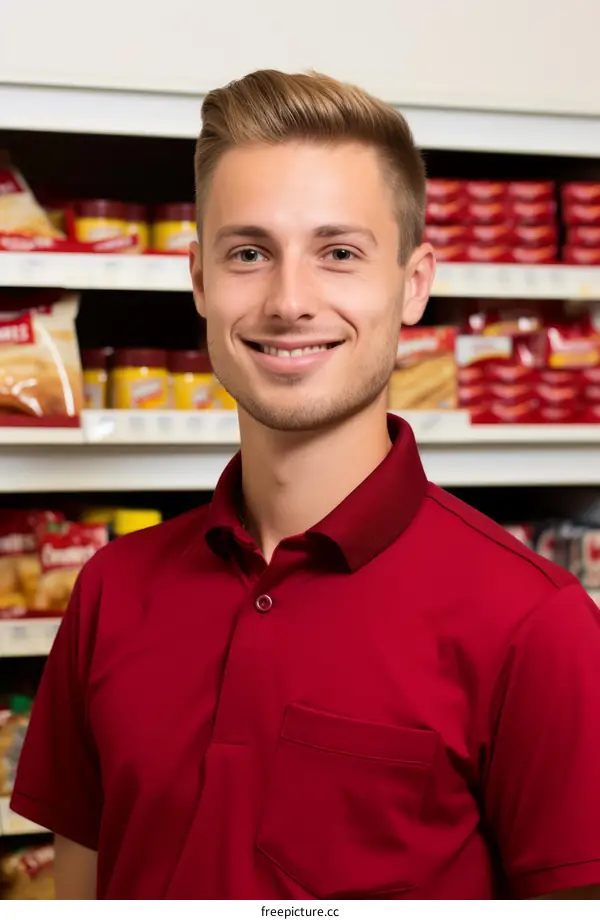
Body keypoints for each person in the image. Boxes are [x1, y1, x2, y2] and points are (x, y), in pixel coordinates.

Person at [11, 70, 600, 901]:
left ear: (414, 283)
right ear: (201, 282)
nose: (290, 301)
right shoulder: (112, 590)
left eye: (340, 253)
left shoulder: (535, 626)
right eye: (249, 253)